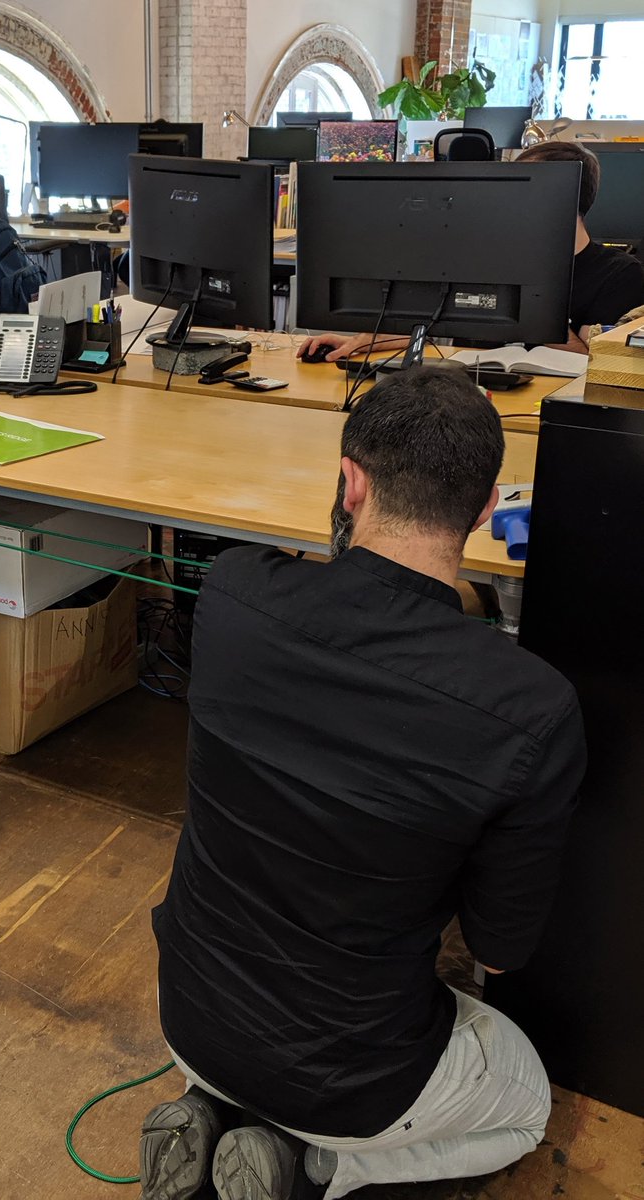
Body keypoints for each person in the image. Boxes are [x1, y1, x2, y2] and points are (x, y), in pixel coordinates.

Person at [140, 366, 586, 1200]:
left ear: (349, 484)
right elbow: (498, 951)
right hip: (347, 1084)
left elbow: (340, 611)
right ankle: (320, 1170)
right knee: (525, 1107)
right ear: (485, 510)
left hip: (186, 1017)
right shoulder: (531, 709)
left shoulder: (232, 592)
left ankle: (215, 1106)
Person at [299, 140, 644, 362]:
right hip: (469, 394)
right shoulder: (485, 260)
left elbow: (595, 362)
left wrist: (540, 312)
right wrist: (358, 342)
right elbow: (431, 319)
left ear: (564, 200)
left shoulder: (620, 275)